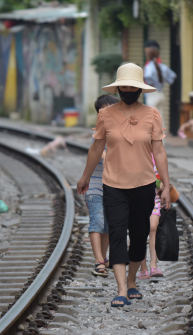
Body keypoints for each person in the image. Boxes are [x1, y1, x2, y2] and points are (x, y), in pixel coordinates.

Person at [76, 63, 172, 308]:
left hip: (144, 184)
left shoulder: (152, 115)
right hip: (114, 185)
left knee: (139, 236)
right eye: (124, 86)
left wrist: (166, 185)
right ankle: (120, 289)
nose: (128, 90)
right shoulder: (105, 115)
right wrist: (86, 176)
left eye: (133, 86)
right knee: (118, 233)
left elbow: (159, 152)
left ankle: (132, 282)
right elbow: (97, 148)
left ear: (140, 89)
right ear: (118, 89)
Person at [87, 94, 120, 278]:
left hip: (112, 188)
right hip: (95, 188)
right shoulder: (98, 135)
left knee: (107, 225)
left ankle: (104, 259)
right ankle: (98, 261)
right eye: (104, 112)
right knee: (97, 222)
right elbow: (104, 157)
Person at [138, 157, 164, 280]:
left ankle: (153, 264)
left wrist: (162, 184)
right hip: (137, 198)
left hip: (154, 198)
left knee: (153, 228)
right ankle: (143, 267)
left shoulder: (156, 155)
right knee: (140, 232)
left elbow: (162, 177)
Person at [143, 40, 176, 128]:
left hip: (152, 94)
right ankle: (162, 141)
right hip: (161, 93)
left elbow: (147, 77)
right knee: (160, 120)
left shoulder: (149, 66)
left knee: (151, 121)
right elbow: (172, 77)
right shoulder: (162, 66)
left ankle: (153, 141)